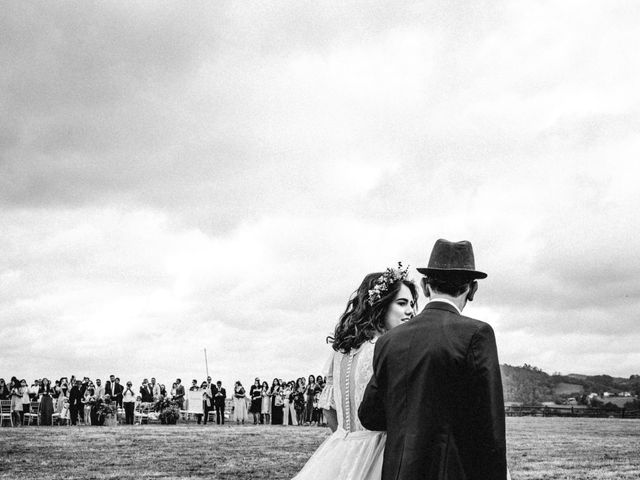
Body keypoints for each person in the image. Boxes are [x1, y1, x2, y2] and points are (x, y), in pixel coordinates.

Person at [359, 240, 508, 480]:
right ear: (473, 289)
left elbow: (370, 415)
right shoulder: (477, 334)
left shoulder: (389, 340)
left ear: (425, 286)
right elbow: (490, 428)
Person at [293, 263, 417, 480]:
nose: (411, 311)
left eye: (413, 304)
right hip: (381, 451)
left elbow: (328, 410)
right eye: (402, 303)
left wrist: (348, 440)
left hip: (340, 448)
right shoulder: (386, 349)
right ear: (380, 305)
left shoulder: (340, 351)